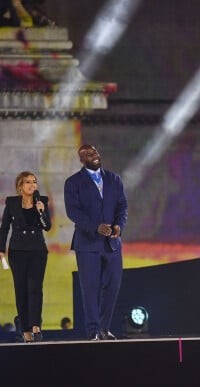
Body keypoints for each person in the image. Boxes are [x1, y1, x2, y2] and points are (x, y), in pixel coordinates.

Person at [64, 144, 128, 341]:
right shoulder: (73, 182)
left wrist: (118, 225)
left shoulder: (114, 179)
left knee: (113, 285)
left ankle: (104, 327)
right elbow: (73, 212)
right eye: (88, 154)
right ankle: (93, 330)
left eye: (95, 152)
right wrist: (95, 227)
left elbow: (122, 206)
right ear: (81, 159)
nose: (94, 155)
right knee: (90, 288)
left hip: (112, 244)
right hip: (87, 245)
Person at [0, 171, 51, 343]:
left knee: (35, 288)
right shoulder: (12, 203)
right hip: (17, 251)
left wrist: (41, 212)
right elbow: (4, 227)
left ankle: (36, 325)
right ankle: (25, 329)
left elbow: (47, 226)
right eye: (28, 182)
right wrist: (1, 249)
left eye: (34, 182)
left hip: (37, 250)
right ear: (21, 185)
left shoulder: (42, 202)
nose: (32, 185)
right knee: (21, 290)